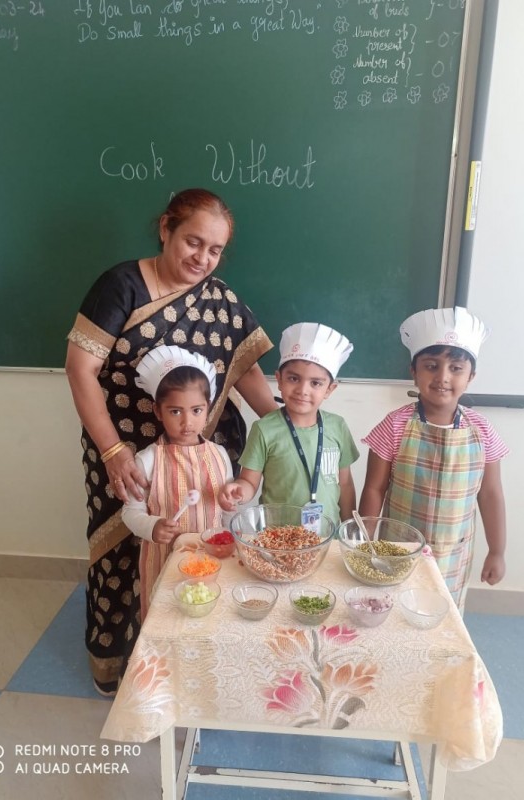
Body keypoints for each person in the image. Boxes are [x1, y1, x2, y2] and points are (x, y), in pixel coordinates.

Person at [65, 188, 276, 695]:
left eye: (215, 249)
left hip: (206, 453)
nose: (202, 258)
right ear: (166, 229)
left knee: (207, 551)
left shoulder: (220, 299)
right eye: (193, 242)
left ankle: (199, 657)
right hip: (123, 452)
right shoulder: (121, 286)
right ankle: (119, 664)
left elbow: (245, 369)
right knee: (124, 550)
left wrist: (283, 428)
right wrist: (113, 452)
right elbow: (80, 368)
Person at [359, 307, 508, 612]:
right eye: (431, 366)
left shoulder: (482, 430)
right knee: (394, 608)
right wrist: (363, 543)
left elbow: (491, 493)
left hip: (453, 554)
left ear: (471, 376)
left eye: (456, 368)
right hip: (397, 548)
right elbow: (374, 488)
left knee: (442, 614)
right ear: (414, 371)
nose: (443, 377)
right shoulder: (394, 425)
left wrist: (497, 551)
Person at [121, 345, 233, 619]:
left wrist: (233, 508)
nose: (187, 422)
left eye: (196, 410)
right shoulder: (148, 459)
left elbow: (229, 511)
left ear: (208, 408)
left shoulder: (219, 454)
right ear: (158, 411)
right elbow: (130, 512)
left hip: (212, 559)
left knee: (210, 614)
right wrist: (152, 526)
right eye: (175, 412)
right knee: (167, 618)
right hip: (163, 559)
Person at [219, 322, 359, 526]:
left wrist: (350, 528)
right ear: (279, 380)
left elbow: (345, 484)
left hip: (328, 535)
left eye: (315, 383)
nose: (303, 390)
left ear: (329, 389)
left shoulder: (338, 426)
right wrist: (239, 490)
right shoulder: (264, 429)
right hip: (276, 535)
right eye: (293, 378)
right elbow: (249, 481)